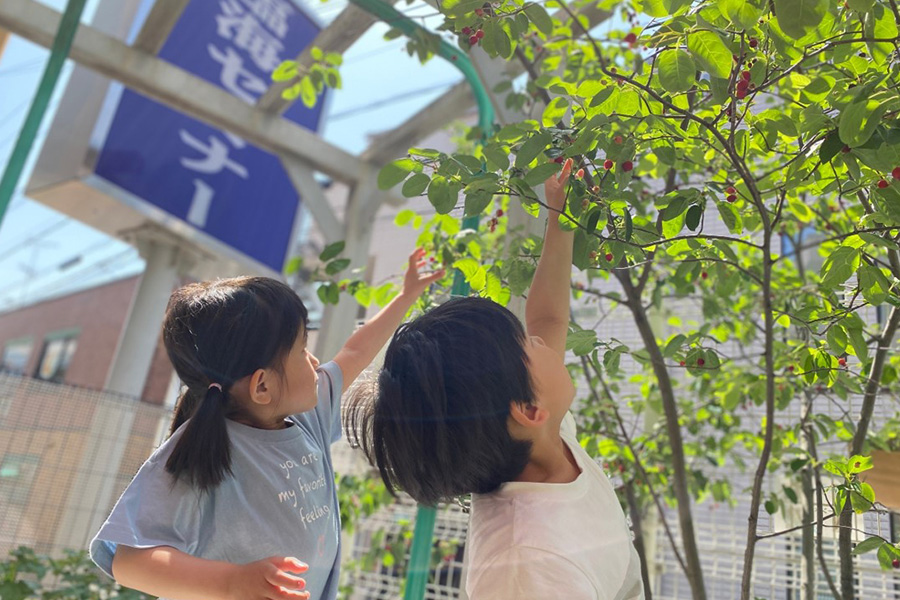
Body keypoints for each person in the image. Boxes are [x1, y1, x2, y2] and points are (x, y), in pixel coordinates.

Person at [345, 160, 645, 599]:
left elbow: (547, 316)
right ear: (527, 409)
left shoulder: (535, 433)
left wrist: (560, 217)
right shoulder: (523, 568)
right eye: (527, 345)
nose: (540, 340)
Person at [90, 250, 444, 600]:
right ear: (262, 386)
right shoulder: (200, 450)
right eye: (303, 349)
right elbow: (130, 561)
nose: (316, 360)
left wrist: (407, 295)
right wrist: (232, 583)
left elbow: (354, 352)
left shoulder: (307, 417)